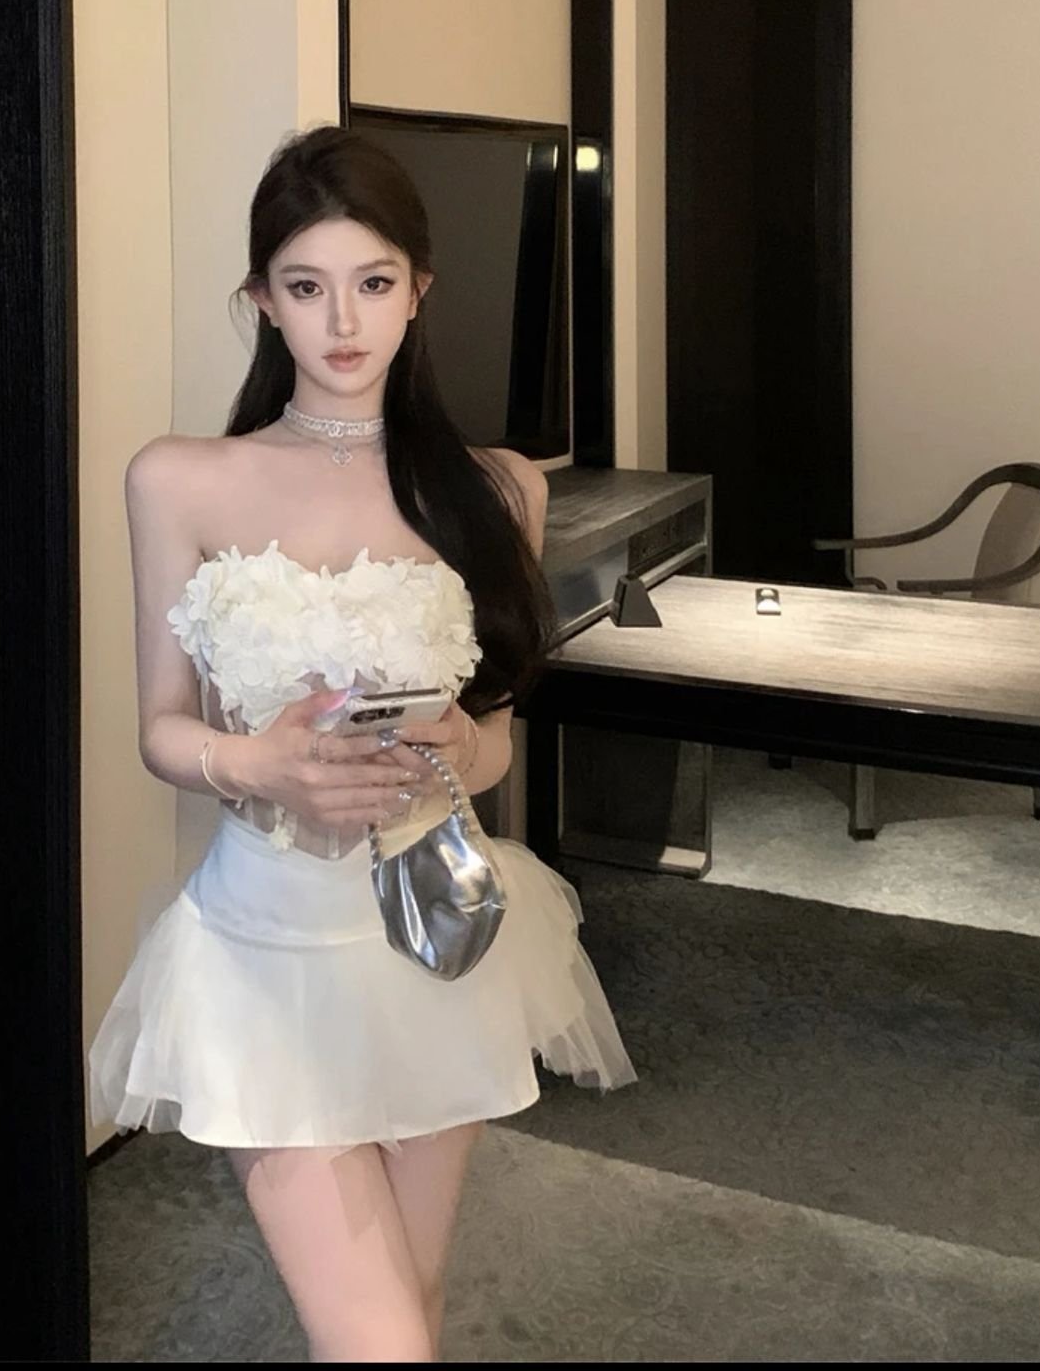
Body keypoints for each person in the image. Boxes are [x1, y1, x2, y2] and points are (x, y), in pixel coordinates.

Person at [89, 124, 636, 1362]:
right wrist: (257, 764)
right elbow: (162, 728)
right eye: (306, 285)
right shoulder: (180, 478)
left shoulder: (495, 487)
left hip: (440, 933)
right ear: (261, 301)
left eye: (373, 281)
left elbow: (494, 744)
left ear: (417, 290)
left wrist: (449, 744)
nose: (343, 320)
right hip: (265, 946)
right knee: (382, 1344)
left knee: (408, 1315)